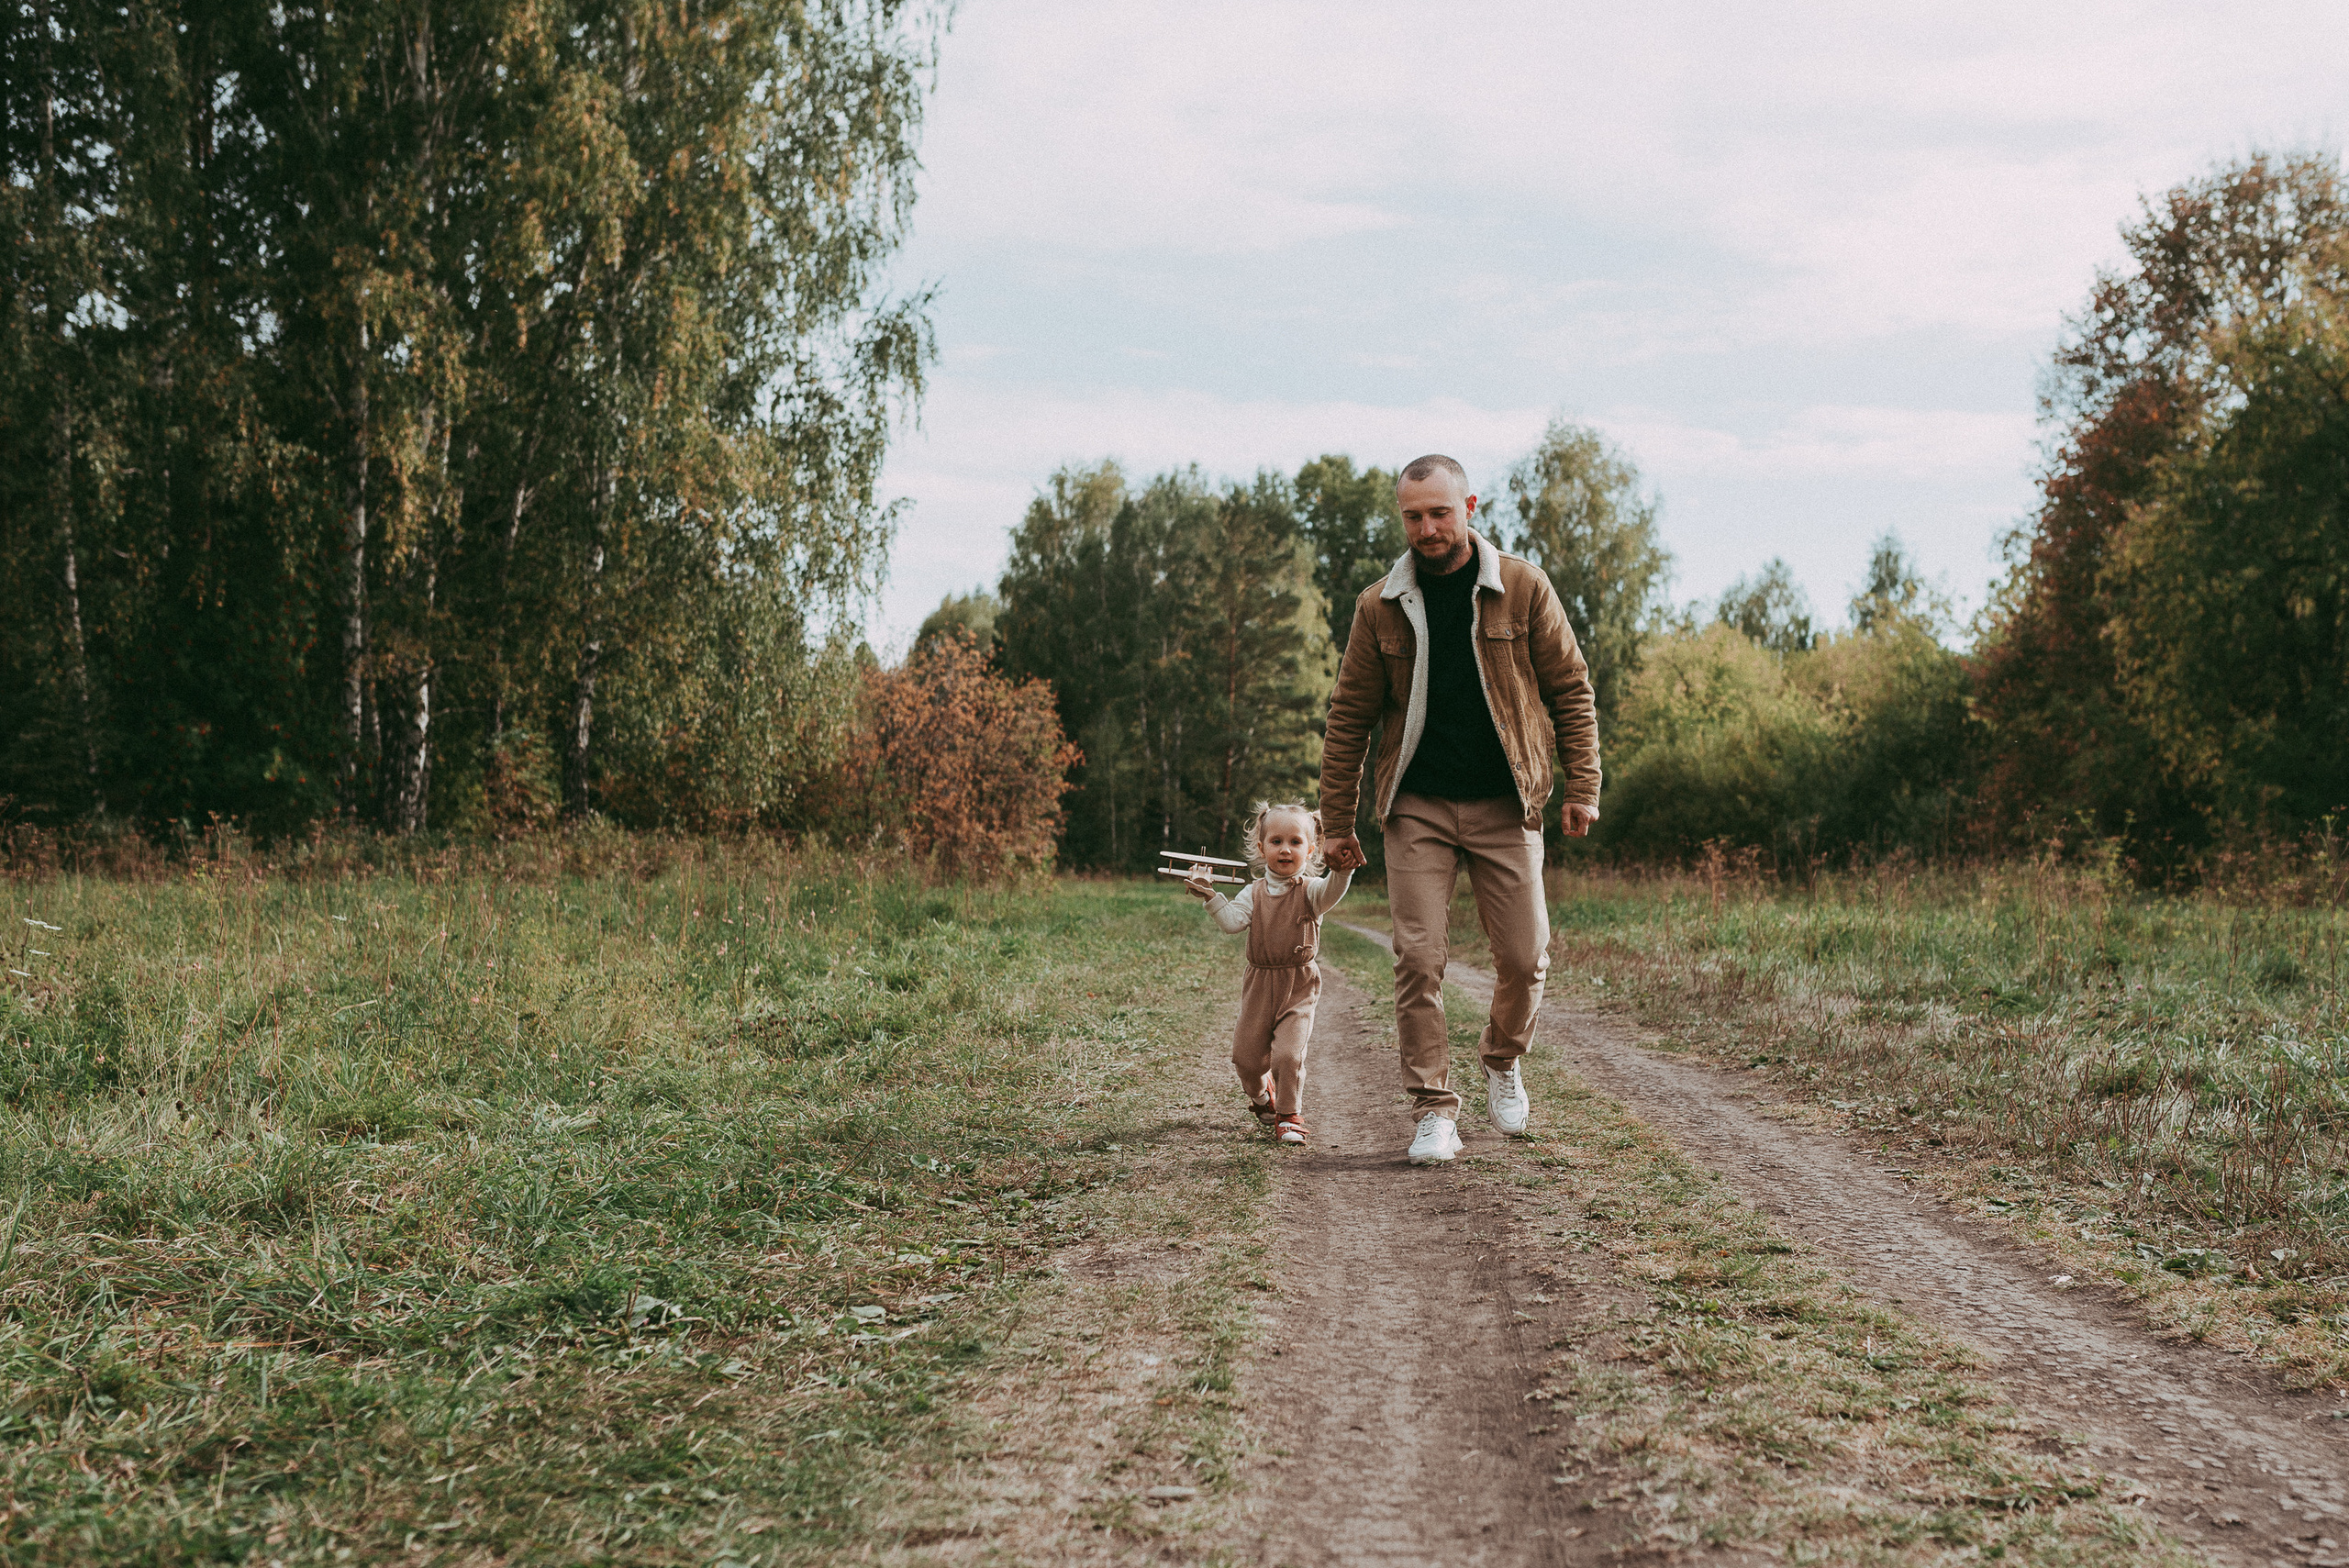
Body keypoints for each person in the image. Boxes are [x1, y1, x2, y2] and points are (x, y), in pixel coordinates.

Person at [1318, 454, 1600, 1166]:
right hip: (1416, 806)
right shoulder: (1378, 604)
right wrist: (1335, 820)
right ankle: (1433, 1108)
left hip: (1508, 803)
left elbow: (1571, 687)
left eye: (1440, 512)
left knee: (1525, 957)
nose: (1427, 528)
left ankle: (1502, 1056)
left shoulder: (1522, 587)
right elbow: (1349, 716)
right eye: (1414, 516)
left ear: (1469, 506)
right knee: (1417, 956)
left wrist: (1584, 786)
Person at [1183, 802, 1354, 1145]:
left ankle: (1289, 1115)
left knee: (1288, 1055)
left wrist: (1343, 871)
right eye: (1276, 841)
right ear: (1261, 849)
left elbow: (1332, 892)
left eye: (1295, 841)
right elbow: (1232, 923)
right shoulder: (1253, 892)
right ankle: (1263, 1098)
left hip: (1299, 983)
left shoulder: (1313, 890)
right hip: (1260, 982)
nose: (1286, 849)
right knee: (1245, 1059)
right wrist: (1211, 897)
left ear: (1311, 848)